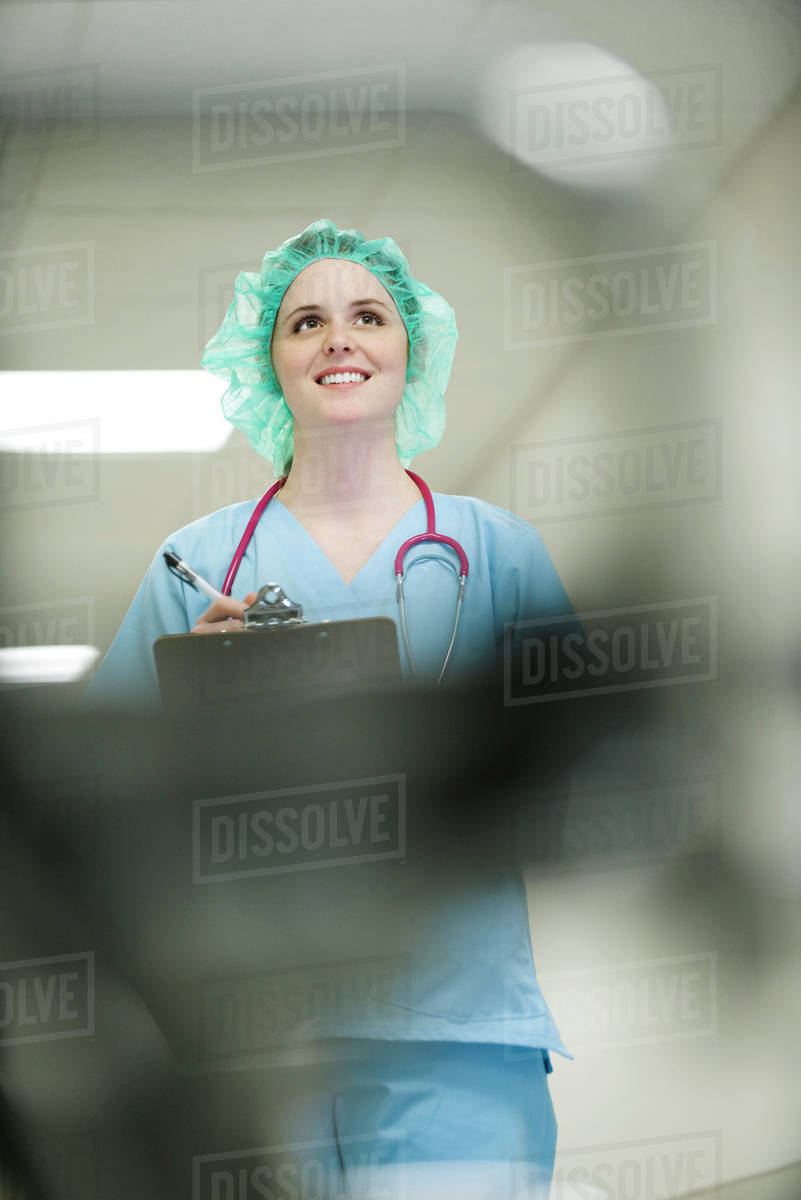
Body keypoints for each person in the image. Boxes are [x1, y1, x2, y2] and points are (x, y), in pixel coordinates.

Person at [85, 219, 580, 1193]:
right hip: (259, 1050)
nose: (339, 338)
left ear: (413, 350)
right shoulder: (197, 568)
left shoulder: (498, 552)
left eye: (368, 315)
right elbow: (100, 808)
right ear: (268, 362)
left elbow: (589, 773)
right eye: (306, 322)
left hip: (458, 1033)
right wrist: (193, 708)